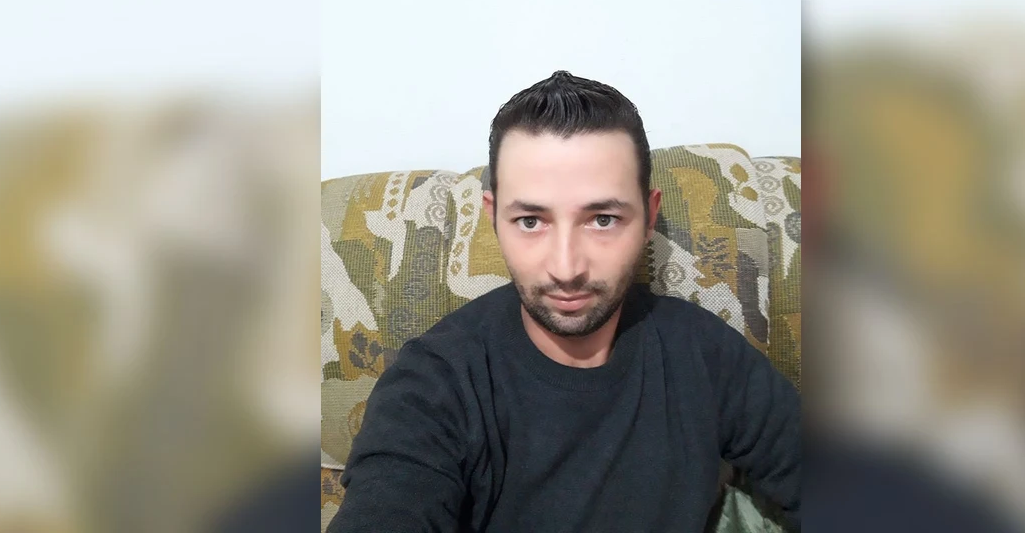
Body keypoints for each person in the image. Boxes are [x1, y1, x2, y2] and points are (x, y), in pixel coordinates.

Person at [327, 71, 801, 532]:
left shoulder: (706, 354)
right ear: (493, 218)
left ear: (649, 215)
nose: (566, 267)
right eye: (531, 221)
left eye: (603, 219)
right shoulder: (435, 382)